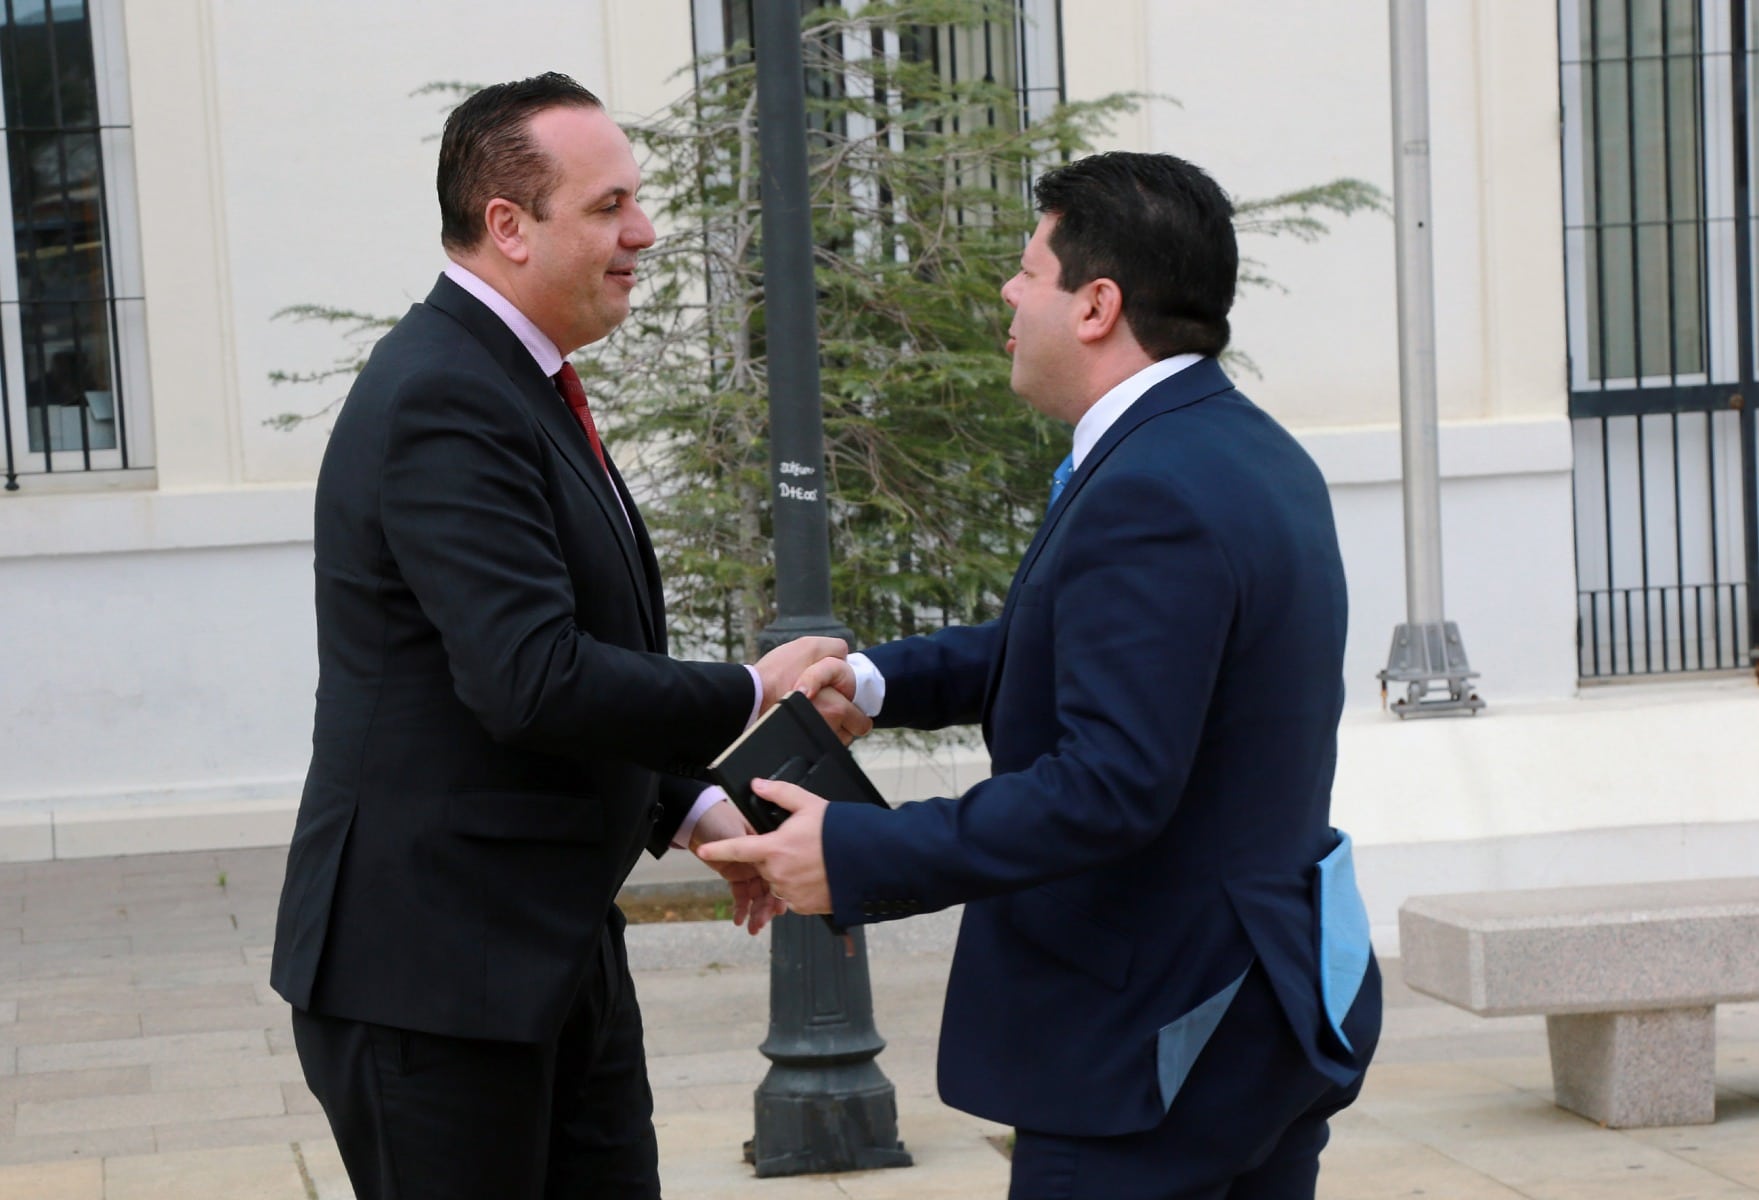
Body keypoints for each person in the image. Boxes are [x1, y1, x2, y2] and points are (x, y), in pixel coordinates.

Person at [702, 152, 1380, 1199]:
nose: (1007, 295)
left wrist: (856, 849)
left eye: (1028, 271)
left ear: (1096, 305)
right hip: (1260, 1014)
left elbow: (1109, 785)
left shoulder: (1151, 487)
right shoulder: (1242, 450)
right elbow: (1081, 647)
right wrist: (869, 681)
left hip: (1156, 1042)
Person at [269, 73, 864, 1200]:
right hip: (434, 979)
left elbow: (564, 647)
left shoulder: (514, 379)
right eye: (608, 206)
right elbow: (529, 679)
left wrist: (688, 803)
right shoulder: (443, 394)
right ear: (509, 225)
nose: (644, 232)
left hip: (546, 951)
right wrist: (751, 689)